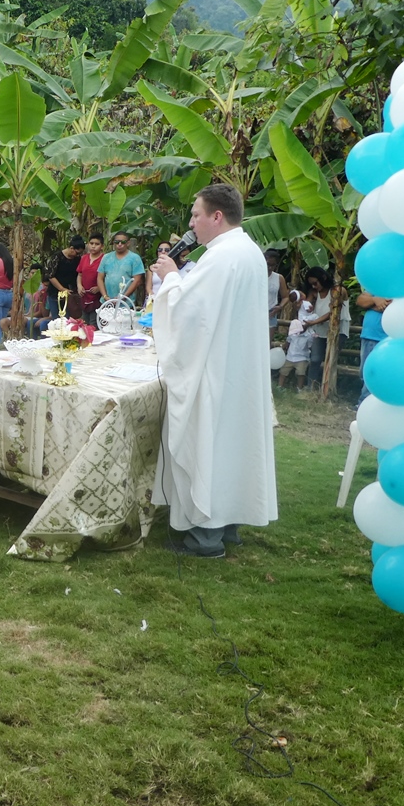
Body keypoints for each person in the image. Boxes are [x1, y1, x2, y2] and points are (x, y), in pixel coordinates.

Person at [149, 182, 278, 558]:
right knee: (231, 448)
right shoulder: (248, 250)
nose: (191, 223)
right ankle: (228, 522)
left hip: (215, 370)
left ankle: (205, 535)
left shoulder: (221, 257)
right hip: (237, 369)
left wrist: (170, 276)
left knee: (210, 445)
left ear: (216, 216)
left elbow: (191, 313)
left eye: (195, 215)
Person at [302, 265, 351, 389]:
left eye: (315, 283)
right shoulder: (314, 293)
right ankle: (311, 387)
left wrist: (313, 322)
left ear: (323, 278)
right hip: (320, 330)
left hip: (338, 330)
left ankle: (328, 388)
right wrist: (305, 306)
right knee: (315, 359)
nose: (314, 286)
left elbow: (333, 313)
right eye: (311, 284)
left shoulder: (339, 291)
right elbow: (304, 307)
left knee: (331, 359)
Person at [356, 290, 390, 404]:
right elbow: (360, 301)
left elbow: (391, 307)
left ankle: (368, 403)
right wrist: (375, 300)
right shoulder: (377, 285)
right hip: (371, 335)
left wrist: (373, 305)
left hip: (390, 338)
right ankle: (365, 403)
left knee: (380, 373)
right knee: (366, 372)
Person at [277, 290, 315, 390]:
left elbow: (310, 345)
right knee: (283, 371)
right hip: (290, 356)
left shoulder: (308, 336)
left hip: (302, 357)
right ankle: (280, 386)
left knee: (301, 373)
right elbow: (289, 340)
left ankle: (299, 388)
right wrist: (284, 346)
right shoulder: (293, 333)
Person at [97, 230, 144, 302]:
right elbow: (100, 278)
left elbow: (137, 281)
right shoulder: (106, 257)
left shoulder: (135, 258)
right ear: (113, 243)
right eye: (117, 242)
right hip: (106, 302)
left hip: (126, 303)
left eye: (123, 242)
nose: (119, 244)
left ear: (128, 243)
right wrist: (105, 296)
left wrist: (122, 297)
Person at [48, 235, 84, 318]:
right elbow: (50, 275)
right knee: (57, 319)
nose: (78, 255)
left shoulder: (78, 259)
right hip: (56, 294)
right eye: (77, 253)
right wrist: (62, 289)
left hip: (72, 295)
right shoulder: (56, 257)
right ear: (71, 248)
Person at [77, 233, 106, 320]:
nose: (93, 246)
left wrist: (99, 287)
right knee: (84, 322)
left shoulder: (105, 259)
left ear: (102, 246)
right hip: (84, 295)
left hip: (98, 297)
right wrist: (79, 286)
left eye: (97, 244)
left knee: (94, 322)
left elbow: (108, 277)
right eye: (91, 243)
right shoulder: (84, 258)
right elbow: (80, 275)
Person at [266, 248, 290, 332]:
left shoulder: (279, 278)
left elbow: (285, 297)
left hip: (271, 312)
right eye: (268, 264)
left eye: (273, 265)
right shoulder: (255, 275)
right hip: (255, 311)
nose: (269, 267)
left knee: (268, 339)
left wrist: (280, 307)